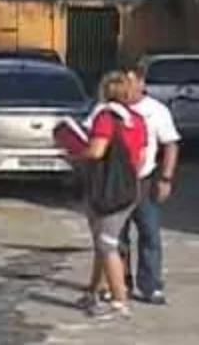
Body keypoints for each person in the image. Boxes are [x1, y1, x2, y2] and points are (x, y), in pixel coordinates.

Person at [76, 71, 147, 320]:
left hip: (106, 189)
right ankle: (93, 291)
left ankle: (119, 301)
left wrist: (75, 153)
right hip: (129, 187)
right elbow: (141, 157)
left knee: (107, 244)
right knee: (102, 242)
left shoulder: (105, 118)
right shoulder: (136, 119)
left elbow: (97, 151)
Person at [116, 62, 181, 305]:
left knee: (150, 234)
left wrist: (166, 178)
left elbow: (170, 144)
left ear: (142, 83)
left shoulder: (156, 111)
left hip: (144, 180)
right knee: (117, 237)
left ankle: (150, 285)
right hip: (116, 184)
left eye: (131, 83)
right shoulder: (110, 109)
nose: (126, 88)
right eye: (123, 83)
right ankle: (120, 283)